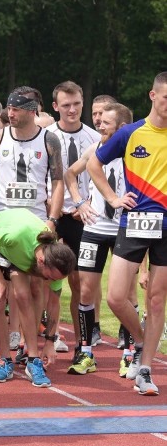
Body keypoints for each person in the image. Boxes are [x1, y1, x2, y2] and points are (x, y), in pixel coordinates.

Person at [87, 72, 167, 396]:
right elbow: (94, 164)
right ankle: (141, 337)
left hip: (166, 225)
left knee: (157, 299)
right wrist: (112, 198)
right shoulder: (130, 134)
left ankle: (145, 368)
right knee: (116, 297)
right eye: (166, 98)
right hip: (134, 222)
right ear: (152, 95)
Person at [0, 86, 64, 369]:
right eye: (9, 109)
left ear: (32, 110)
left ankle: (28, 341)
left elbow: (58, 181)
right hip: (3, 220)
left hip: (37, 223)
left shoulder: (49, 140)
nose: (10, 114)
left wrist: (52, 219)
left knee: (35, 289)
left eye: (16, 109)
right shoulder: (0, 136)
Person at [64, 102, 138, 375]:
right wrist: (80, 202)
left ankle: (130, 352)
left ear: (121, 128)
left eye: (105, 122)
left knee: (127, 293)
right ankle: (85, 353)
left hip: (125, 228)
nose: (98, 125)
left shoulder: (135, 152)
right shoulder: (94, 150)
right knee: (85, 290)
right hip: (96, 227)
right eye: (98, 120)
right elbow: (69, 173)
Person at [0, 208, 77, 387]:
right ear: (41, 261)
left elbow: (54, 304)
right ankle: (5, 362)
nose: (51, 281)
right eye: (50, 277)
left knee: (23, 295)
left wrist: (49, 342)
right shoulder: (18, 235)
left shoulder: (54, 256)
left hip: (14, 254)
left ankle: (33, 360)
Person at [45, 81, 101, 354]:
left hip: (81, 217)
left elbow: (98, 178)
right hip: (51, 215)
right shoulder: (44, 135)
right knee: (46, 278)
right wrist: (49, 206)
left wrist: (86, 205)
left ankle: (83, 343)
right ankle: (49, 335)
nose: (72, 110)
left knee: (79, 282)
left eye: (77, 103)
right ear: (55, 107)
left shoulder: (93, 137)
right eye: (66, 105)